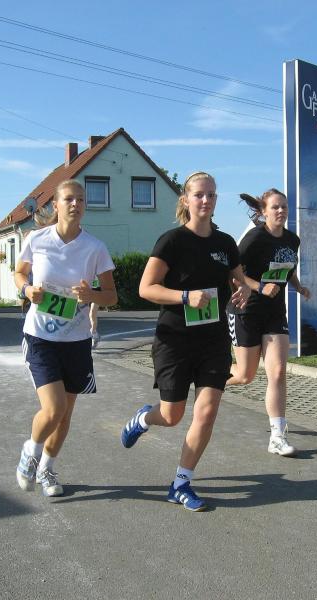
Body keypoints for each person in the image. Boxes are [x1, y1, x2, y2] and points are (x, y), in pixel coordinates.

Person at [120, 171, 251, 512]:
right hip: (175, 340)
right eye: (199, 195)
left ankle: (180, 483)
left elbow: (239, 281)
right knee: (172, 415)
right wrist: (184, 296)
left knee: (206, 412)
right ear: (186, 200)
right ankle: (143, 419)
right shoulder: (172, 241)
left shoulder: (225, 243)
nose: (206, 200)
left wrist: (244, 291)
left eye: (211, 195)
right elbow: (146, 288)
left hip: (213, 341)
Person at [14, 179, 117, 497]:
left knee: (64, 415)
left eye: (81, 200)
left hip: (76, 341)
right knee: (54, 407)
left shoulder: (95, 248)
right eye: (69, 199)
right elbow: (19, 273)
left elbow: (111, 295)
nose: (75, 204)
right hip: (40, 337)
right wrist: (27, 289)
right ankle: (30, 453)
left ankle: (47, 469)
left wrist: (92, 295)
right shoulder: (37, 239)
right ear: (56, 205)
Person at [226, 189, 310, 457]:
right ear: (264, 211)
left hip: (274, 313)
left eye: (284, 206)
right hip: (246, 310)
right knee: (245, 375)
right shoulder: (254, 238)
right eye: (275, 207)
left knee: (278, 372)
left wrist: (298, 286)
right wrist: (259, 287)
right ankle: (211, 374)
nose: (281, 211)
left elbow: (287, 268)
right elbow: (233, 273)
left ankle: (277, 436)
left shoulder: (292, 240)